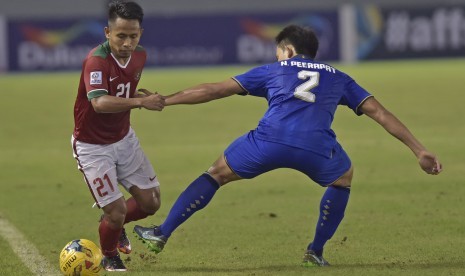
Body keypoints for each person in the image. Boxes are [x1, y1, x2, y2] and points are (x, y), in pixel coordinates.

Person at [133, 25, 442, 267]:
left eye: (278, 52)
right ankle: (315, 252)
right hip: (316, 148)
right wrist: (419, 150)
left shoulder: (274, 70)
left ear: (288, 50)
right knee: (343, 177)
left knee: (216, 173)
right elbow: (380, 113)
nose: (277, 57)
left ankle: (162, 233)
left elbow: (214, 90)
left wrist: (166, 99)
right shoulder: (340, 77)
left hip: (267, 141)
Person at [71, 1, 165, 272]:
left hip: (124, 139)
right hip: (92, 146)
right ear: (107, 33)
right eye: (120, 35)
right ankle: (110, 253)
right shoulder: (96, 61)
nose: (127, 42)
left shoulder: (140, 56)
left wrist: (137, 96)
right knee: (116, 212)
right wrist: (139, 104)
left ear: (141, 34)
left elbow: (121, 93)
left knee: (151, 202)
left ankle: (113, 222)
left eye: (132, 36)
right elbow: (99, 103)